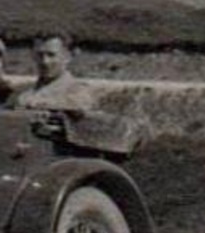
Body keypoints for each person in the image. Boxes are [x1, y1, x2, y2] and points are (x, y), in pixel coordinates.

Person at [15, 31, 146, 151]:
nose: (45, 62)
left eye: (51, 55)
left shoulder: (77, 89)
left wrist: (39, 104)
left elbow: (81, 105)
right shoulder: (25, 93)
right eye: (39, 55)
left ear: (68, 56)